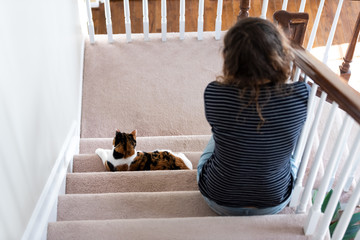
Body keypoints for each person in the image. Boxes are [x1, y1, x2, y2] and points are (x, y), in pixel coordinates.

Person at [197, 17, 310, 216]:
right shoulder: (301, 94)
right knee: (291, 153)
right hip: (273, 201)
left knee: (217, 137)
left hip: (219, 198)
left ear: (230, 58)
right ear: (280, 55)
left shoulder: (214, 93)